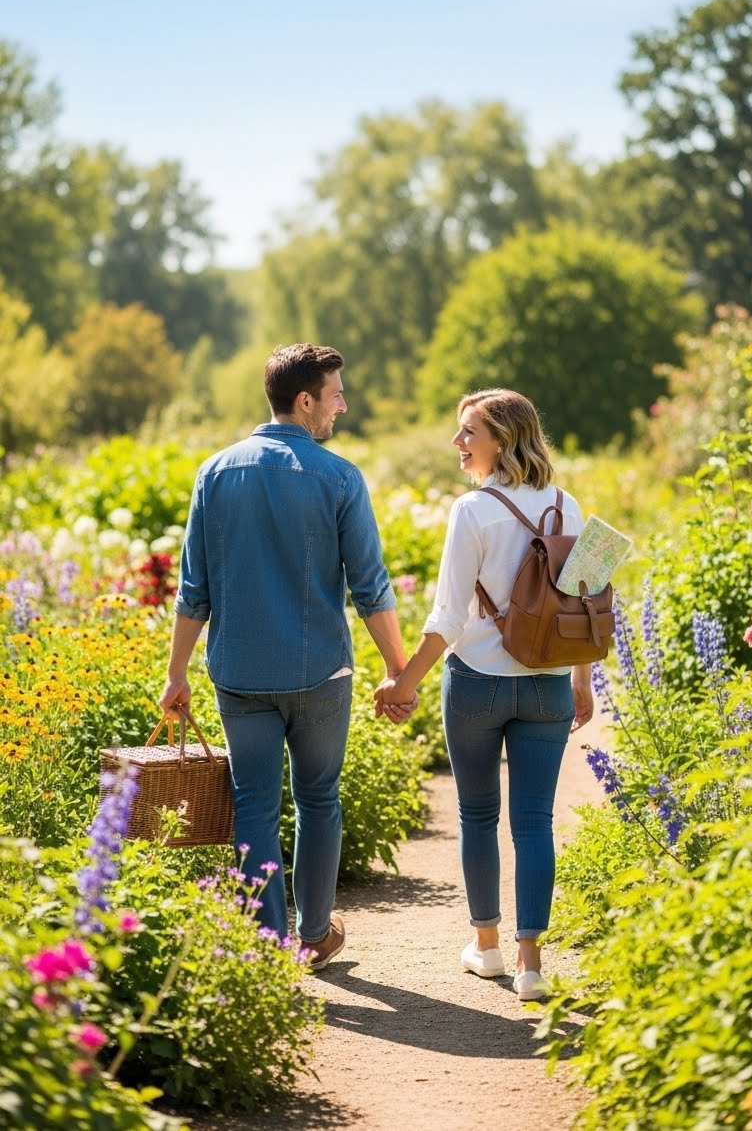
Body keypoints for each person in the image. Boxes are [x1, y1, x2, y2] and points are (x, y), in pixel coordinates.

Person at [160, 343, 414, 971]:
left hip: (239, 673)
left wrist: (175, 674)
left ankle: (270, 947)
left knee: (253, 804)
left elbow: (194, 589)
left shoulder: (214, 473)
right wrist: (398, 672)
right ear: (305, 401)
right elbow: (371, 587)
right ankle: (314, 933)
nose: (343, 406)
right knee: (319, 798)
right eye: (335, 394)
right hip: (318, 673)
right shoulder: (338, 476)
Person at [374, 388, 593, 1001]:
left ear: (502, 436)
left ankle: (488, 948)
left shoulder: (472, 511)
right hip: (548, 686)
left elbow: (448, 618)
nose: (458, 443)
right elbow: (585, 607)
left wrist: (403, 683)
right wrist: (580, 682)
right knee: (534, 823)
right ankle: (532, 966)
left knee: (477, 815)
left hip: (477, 682)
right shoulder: (569, 506)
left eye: (469, 431)